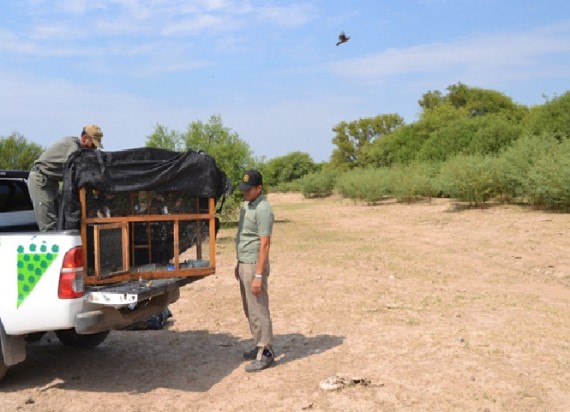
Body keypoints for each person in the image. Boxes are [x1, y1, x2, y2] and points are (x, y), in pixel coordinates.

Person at [234, 169, 275, 372]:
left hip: (254, 265)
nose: (245, 192)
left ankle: (266, 351)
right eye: (244, 189)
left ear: (259, 188)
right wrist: (238, 263)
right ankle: (258, 344)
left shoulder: (263, 209)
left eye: (249, 190)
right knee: (250, 309)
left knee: (259, 308)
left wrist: (258, 274)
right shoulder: (247, 205)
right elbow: (244, 236)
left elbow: (264, 244)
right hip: (244, 263)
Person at [28, 125, 104, 231]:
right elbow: (74, 168)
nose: (94, 149)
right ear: (84, 138)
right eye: (92, 145)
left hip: (52, 182)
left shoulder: (78, 148)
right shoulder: (73, 146)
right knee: (48, 226)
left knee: (59, 222)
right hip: (41, 181)